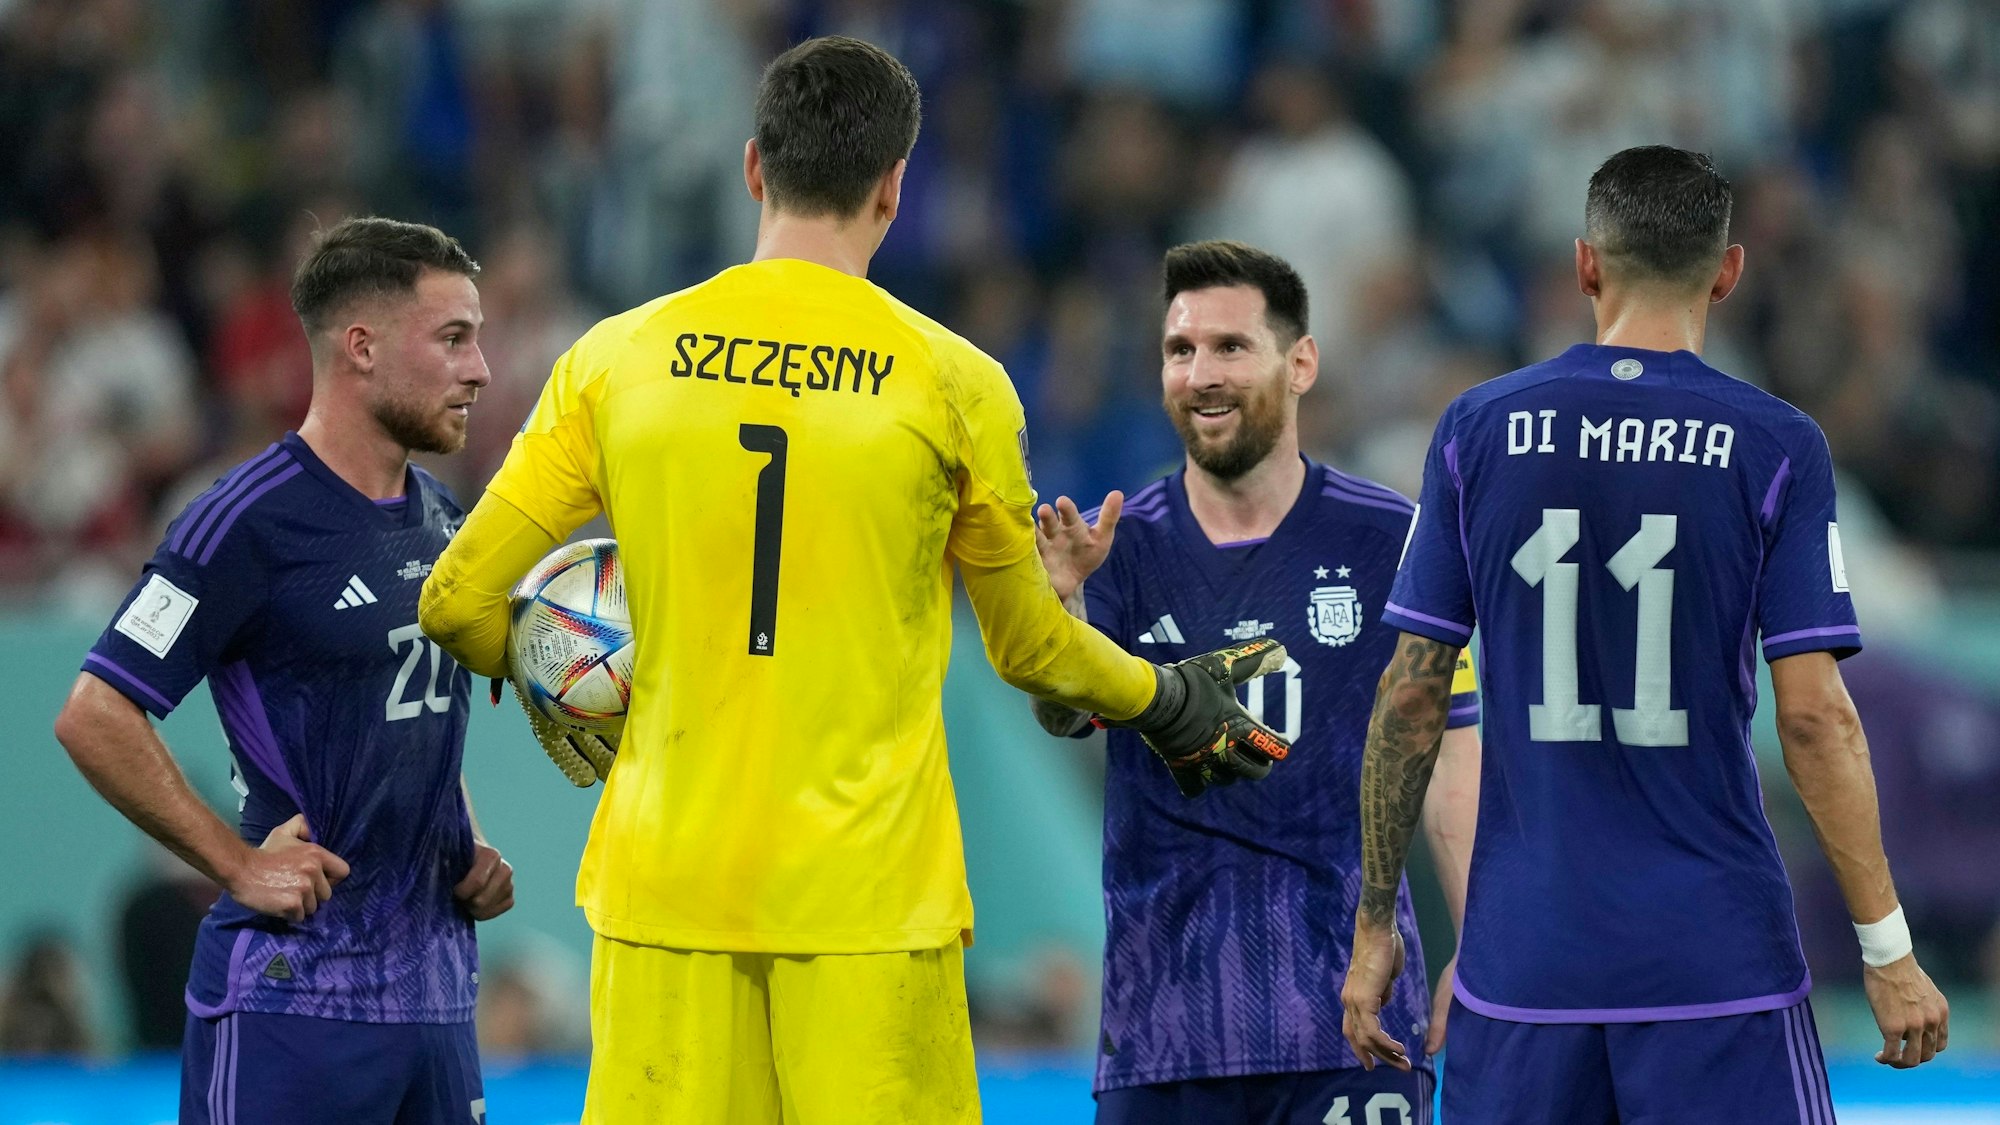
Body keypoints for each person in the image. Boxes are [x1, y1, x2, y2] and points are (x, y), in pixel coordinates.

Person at [416, 36, 1290, 1125]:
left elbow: (451, 600)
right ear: (891, 187)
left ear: (752, 169)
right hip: (869, 905)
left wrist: (553, 670)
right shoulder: (953, 381)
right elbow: (1030, 652)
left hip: (664, 892)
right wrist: (1171, 700)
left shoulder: (613, 358)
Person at [1339, 146, 1951, 1123]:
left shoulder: (1474, 429)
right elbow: (1813, 722)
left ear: (1584, 265)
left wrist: (1377, 922)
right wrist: (1885, 949)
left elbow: (1410, 693)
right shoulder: (1773, 444)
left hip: (1523, 965)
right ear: (1725, 271)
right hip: (1713, 964)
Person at [51, 217, 515, 1124]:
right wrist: (235, 862)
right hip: (291, 1002)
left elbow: (401, 718)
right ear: (362, 347)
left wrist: (469, 841)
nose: (481, 369)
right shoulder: (241, 522)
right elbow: (92, 710)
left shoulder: (444, 518)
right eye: (454, 338)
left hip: (436, 1004)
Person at [1030, 241, 1482, 1125]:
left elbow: (1453, 763)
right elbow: (1062, 720)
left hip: (1353, 1024)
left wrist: (1481, 943)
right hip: (1164, 1032)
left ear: (1300, 361)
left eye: (1231, 346)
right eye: (1180, 350)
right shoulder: (1115, 551)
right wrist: (1062, 623)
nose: (1202, 373)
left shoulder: (1398, 542)